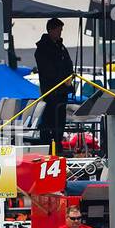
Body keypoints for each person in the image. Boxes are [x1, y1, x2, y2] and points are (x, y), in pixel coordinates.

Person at [35, 17, 74, 155]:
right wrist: (63, 80)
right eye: (58, 30)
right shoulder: (43, 49)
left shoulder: (60, 47)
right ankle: (48, 147)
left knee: (60, 121)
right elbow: (49, 71)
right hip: (51, 92)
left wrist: (69, 78)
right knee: (49, 121)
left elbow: (68, 64)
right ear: (51, 30)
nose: (60, 33)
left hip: (62, 92)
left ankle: (57, 145)